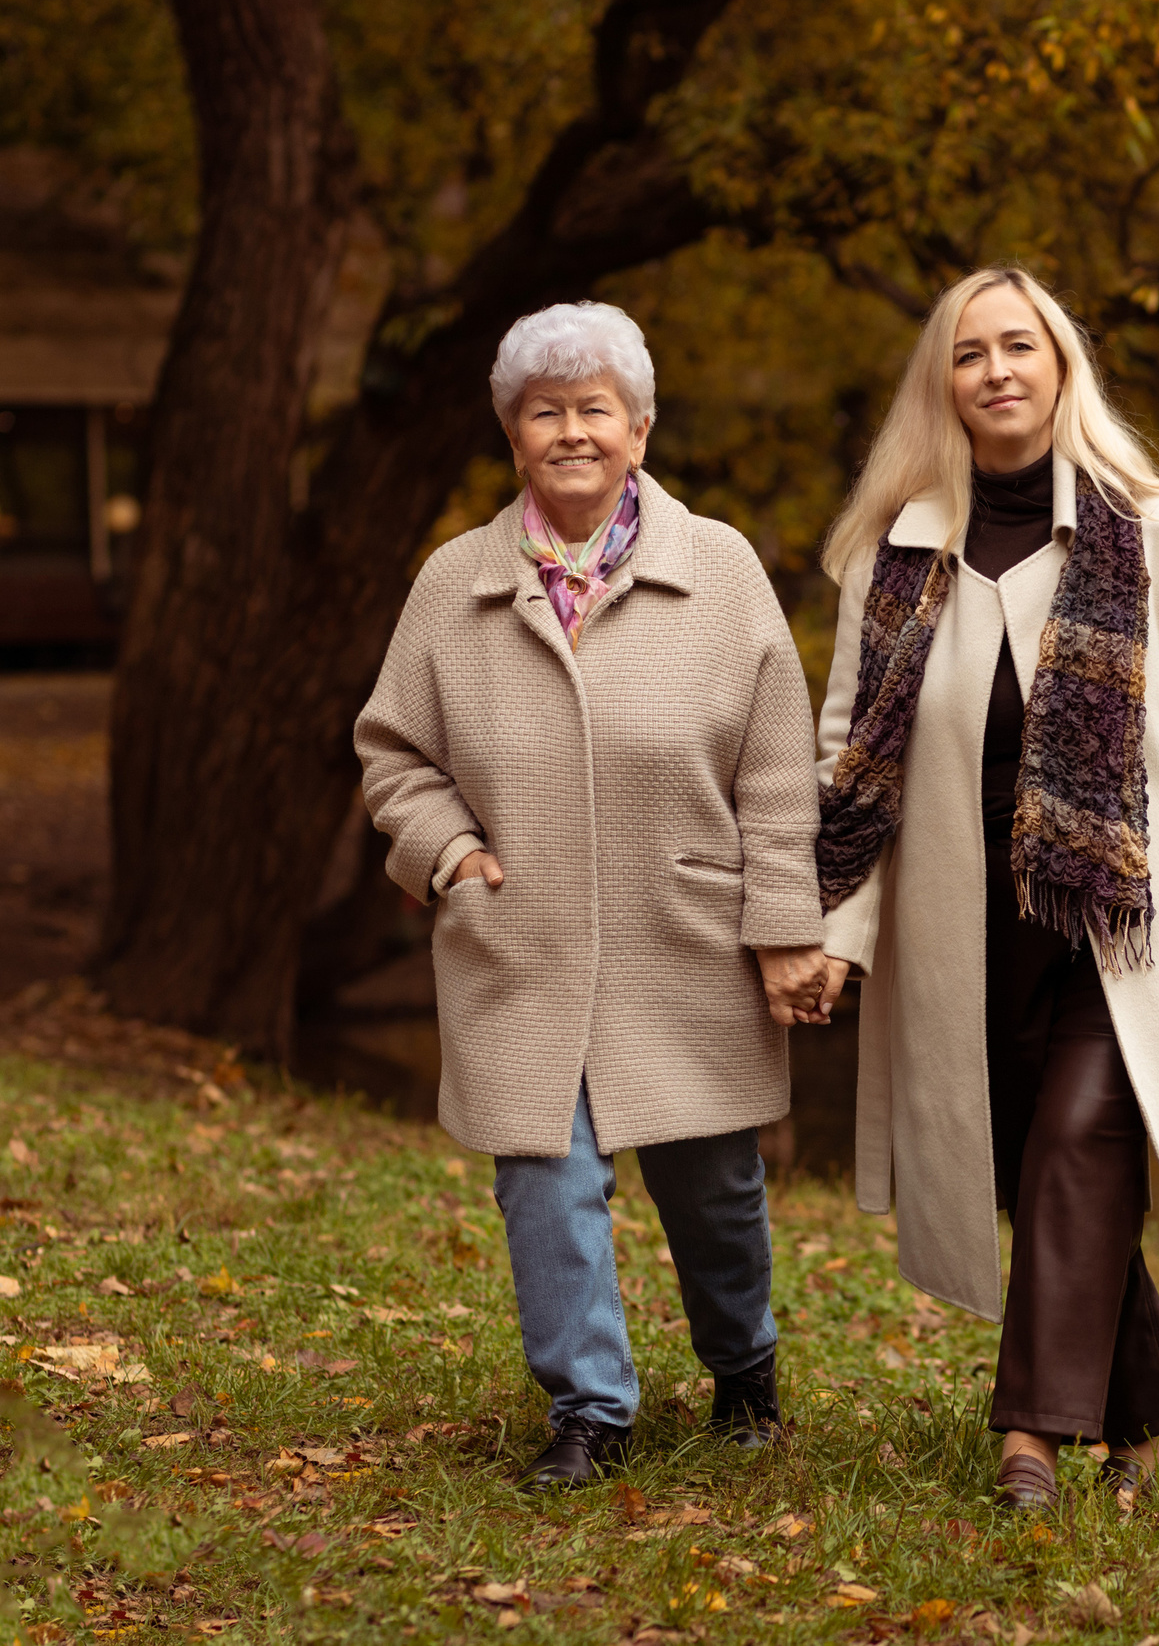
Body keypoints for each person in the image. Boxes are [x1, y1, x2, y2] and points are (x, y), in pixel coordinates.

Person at [809, 267, 1159, 1510]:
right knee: (1035, 1167)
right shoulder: (894, 555)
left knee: (1081, 1133)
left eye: (1018, 345)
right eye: (969, 353)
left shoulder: (1157, 530)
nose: (997, 371)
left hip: (1124, 916)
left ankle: (1029, 1440)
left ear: (1060, 365)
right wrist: (834, 929)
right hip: (964, 928)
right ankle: (1139, 1409)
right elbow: (852, 761)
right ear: (944, 385)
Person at [356, 301, 833, 1488]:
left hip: (688, 937)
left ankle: (744, 1372)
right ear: (512, 434)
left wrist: (785, 929)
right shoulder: (454, 582)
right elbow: (393, 756)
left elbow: (779, 770)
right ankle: (590, 1410)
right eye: (543, 412)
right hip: (520, 945)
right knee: (543, 1176)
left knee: (712, 1187)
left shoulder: (719, 568)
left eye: (594, 409)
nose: (571, 432)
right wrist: (448, 852)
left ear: (640, 430)